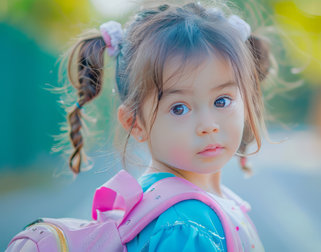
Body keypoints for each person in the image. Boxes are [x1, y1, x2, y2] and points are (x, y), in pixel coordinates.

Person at [63, 1, 271, 251]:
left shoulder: (191, 207)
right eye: (179, 108)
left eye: (221, 100)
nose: (208, 126)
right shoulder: (185, 226)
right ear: (134, 123)